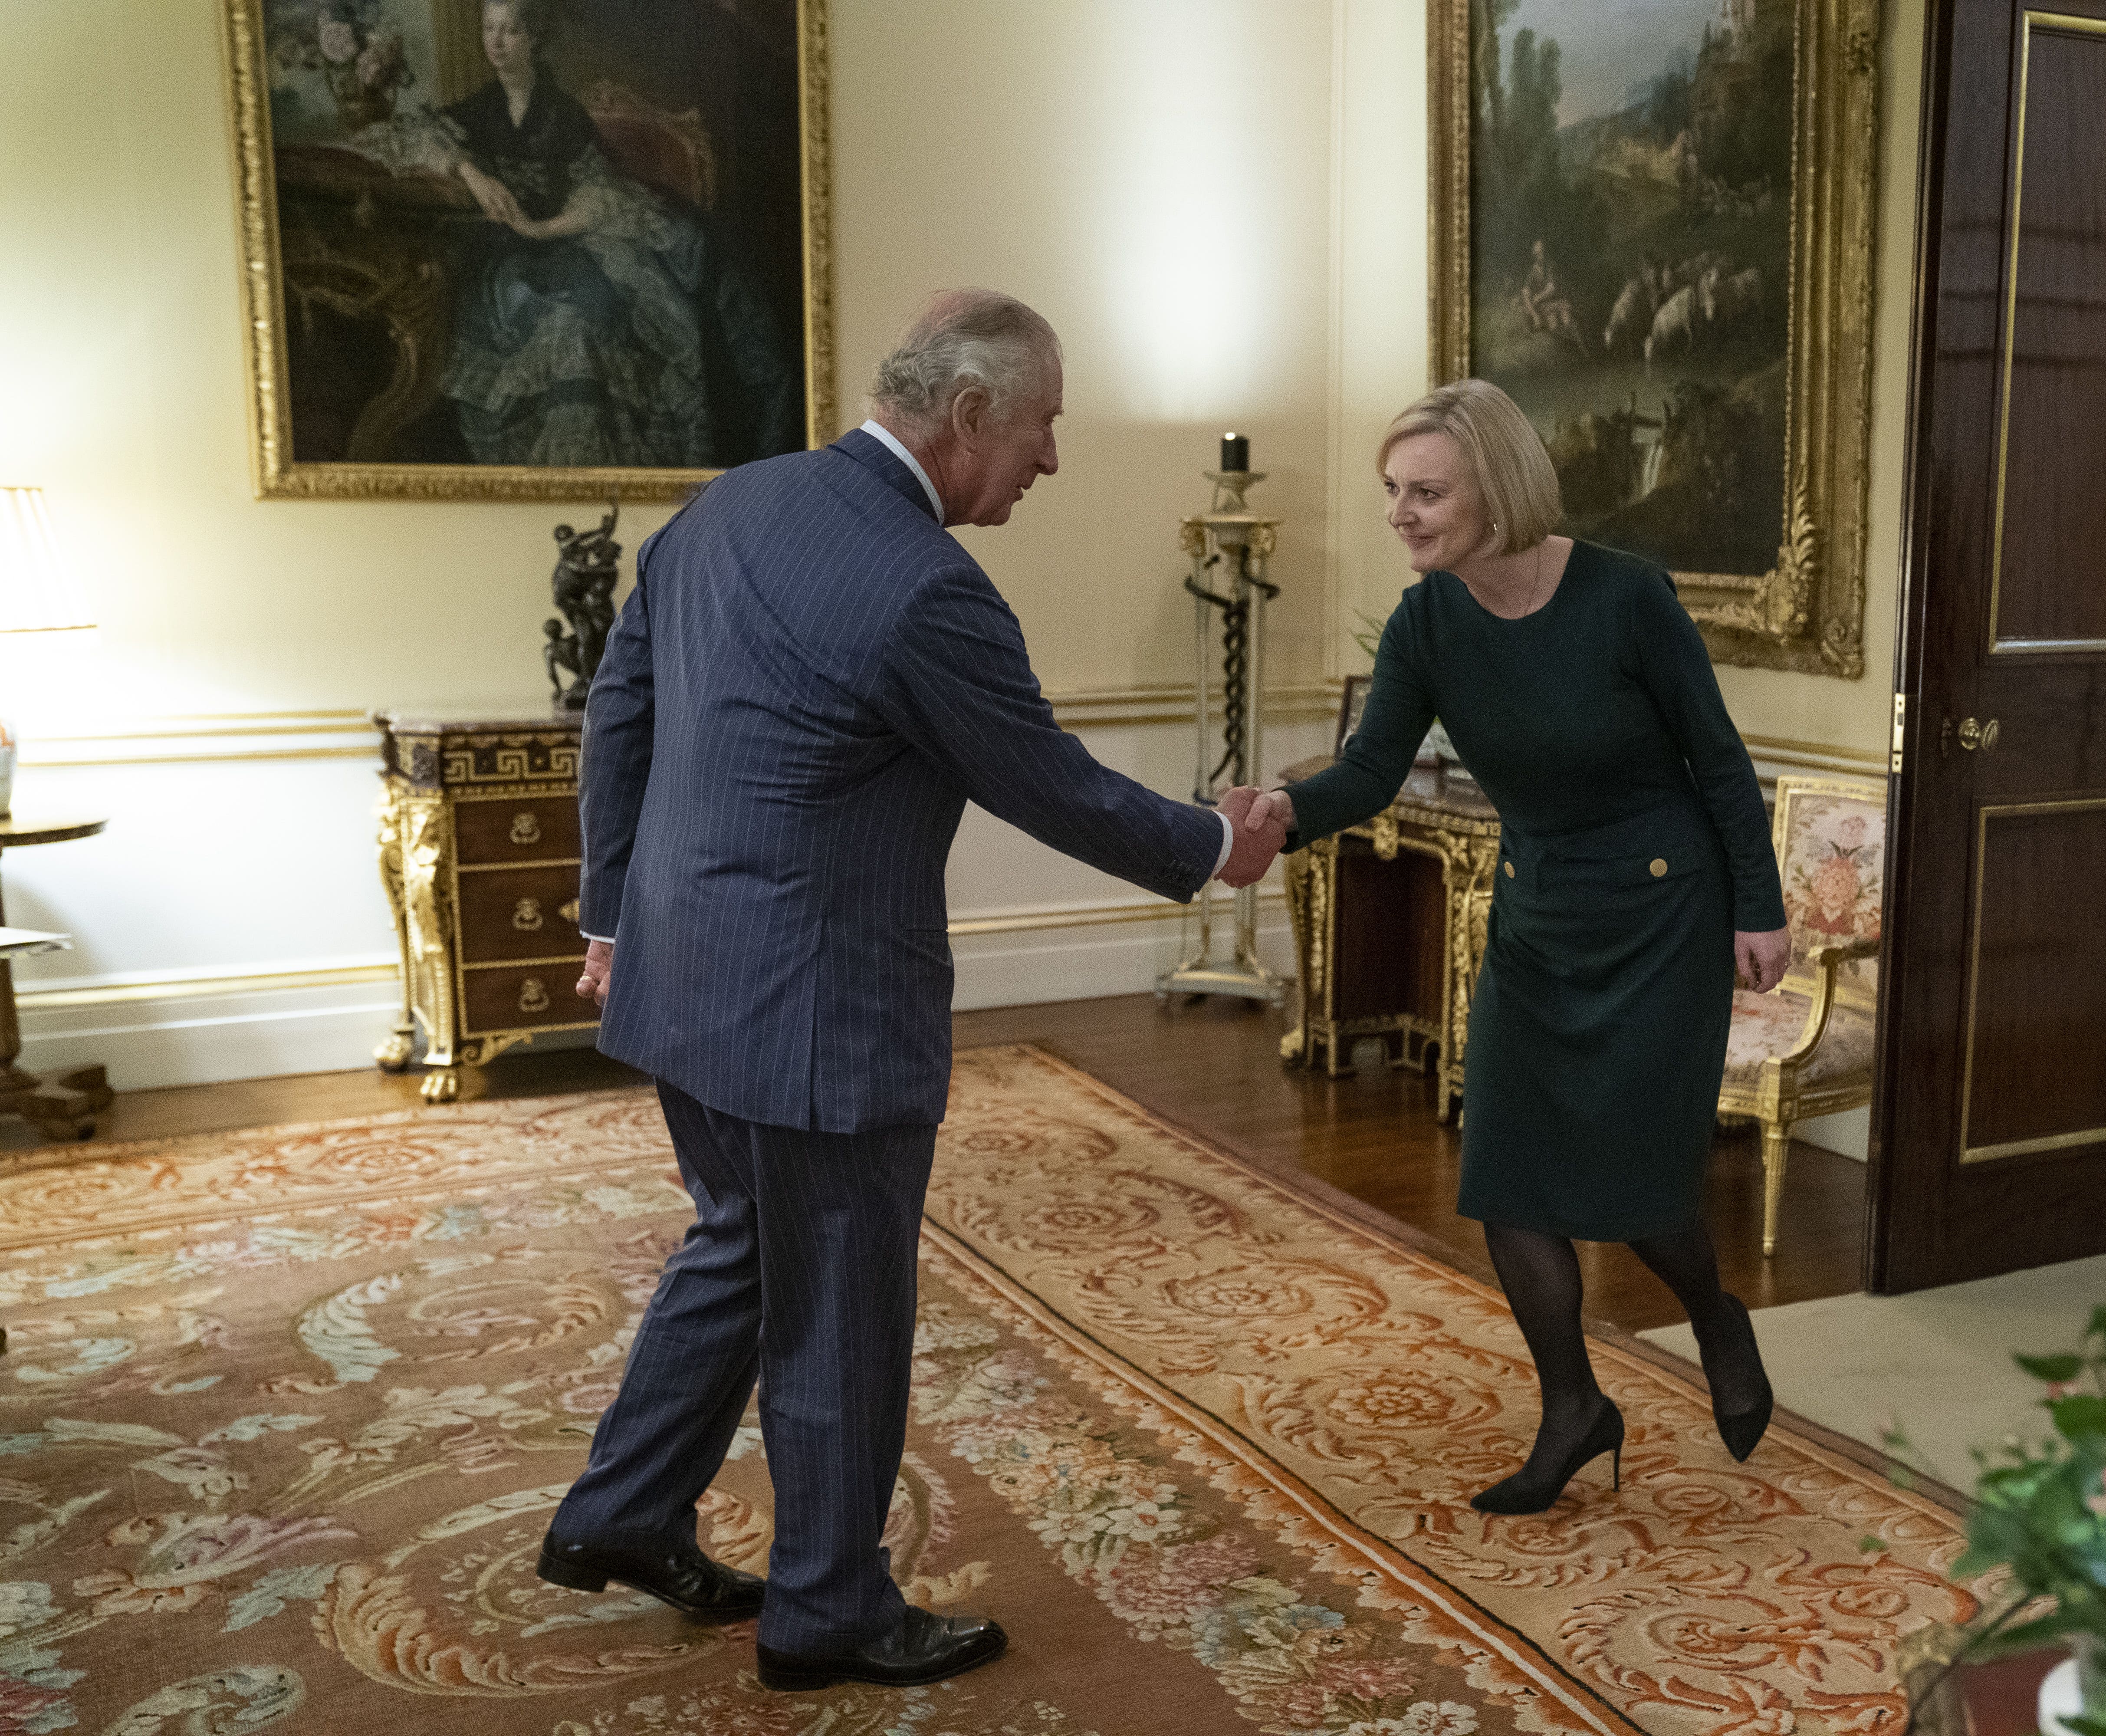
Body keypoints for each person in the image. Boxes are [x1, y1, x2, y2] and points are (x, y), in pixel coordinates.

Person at [540, 289, 1285, 1690]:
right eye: (1049, 424)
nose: (1053, 460)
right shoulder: (927, 586)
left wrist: (612, 918)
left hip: (688, 983)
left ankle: (623, 1514)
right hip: (817, 1015)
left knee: (739, 1251)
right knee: (836, 1306)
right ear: (972, 415)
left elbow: (619, 713)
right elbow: (1050, 784)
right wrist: (1219, 847)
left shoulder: (727, 508)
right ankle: (829, 1612)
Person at [1240, 379, 1791, 1514]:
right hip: (1541, 915)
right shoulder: (1426, 623)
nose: (1402, 513)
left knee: (1638, 1188)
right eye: (1393, 491)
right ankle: (1574, 1407)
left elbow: (1721, 764)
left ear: (1498, 490)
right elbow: (1369, 773)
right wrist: (1280, 811)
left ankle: (1715, 1318)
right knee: (1508, 1177)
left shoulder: (1626, 598)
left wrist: (1761, 906)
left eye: (1427, 492)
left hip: (1662, 912)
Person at [436, 0, 797, 466]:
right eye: (490, 30)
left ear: (533, 39)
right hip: (502, 261)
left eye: (510, 31)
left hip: (567, 243)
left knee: (608, 309)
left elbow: (598, 190)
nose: (497, 43)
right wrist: (469, 171)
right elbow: (420, 137)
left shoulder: (564, 114)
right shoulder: (473, 112)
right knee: (547, 318)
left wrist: (542, 228)